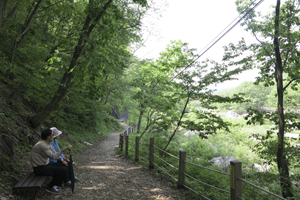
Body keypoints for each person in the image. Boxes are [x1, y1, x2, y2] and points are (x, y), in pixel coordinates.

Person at [30, 128, 72, 194]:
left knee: (64, 165)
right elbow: (53, 156)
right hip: (39, 168)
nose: (53, 136)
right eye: (52, 135)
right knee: (62, 170)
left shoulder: (47, 143)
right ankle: (51, 187)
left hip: (45, 164)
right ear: (48, 137)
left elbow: (55, 153)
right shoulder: (42, 145)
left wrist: (62, 161)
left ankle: (60, 183)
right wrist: (65, 148)